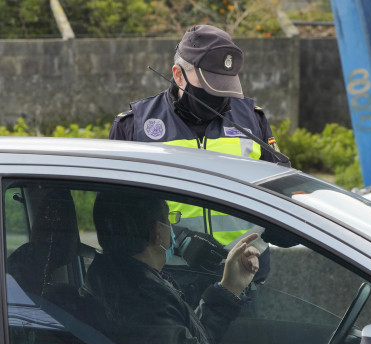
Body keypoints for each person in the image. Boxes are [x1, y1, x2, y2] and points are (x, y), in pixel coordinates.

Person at [109, 24, 284, 286]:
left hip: (246, 274)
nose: (220, 96)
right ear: (178, 76)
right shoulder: (134, 126)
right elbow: (114, 215)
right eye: (211, 86)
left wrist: (287, 223)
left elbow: (277, 192)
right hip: (166, 278)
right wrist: (178, 238)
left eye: (226, 86)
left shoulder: (252, 120)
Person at [81, 190, 260, 344]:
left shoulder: (117, 281)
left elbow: (189, 340)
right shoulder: (147, 304)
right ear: (157, 232)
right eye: (169, 218)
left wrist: (229, 288)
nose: (173, 228)